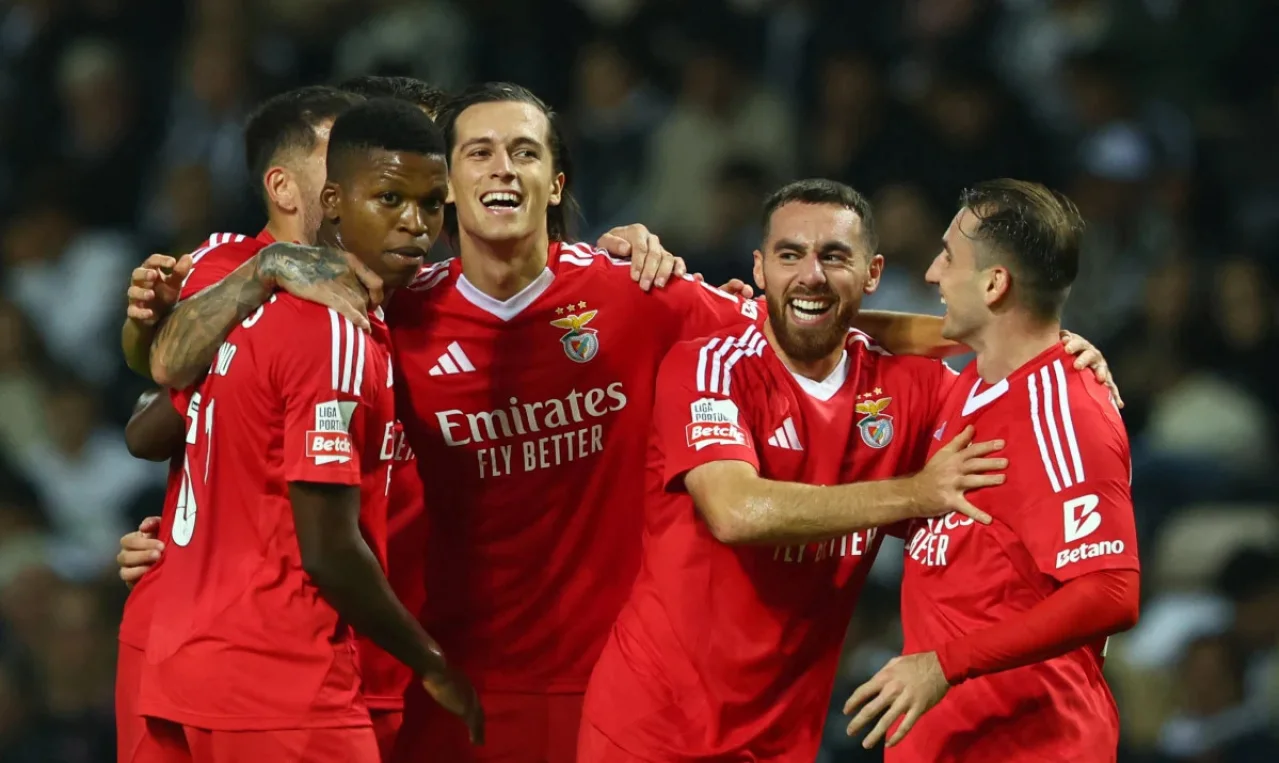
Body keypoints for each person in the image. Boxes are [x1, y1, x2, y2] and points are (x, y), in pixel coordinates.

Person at [135, 84, 1115, 763]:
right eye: (479, 152)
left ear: (556, 183)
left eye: (526, 151)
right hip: (443, 679)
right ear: (449, 187)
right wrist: (180, 530)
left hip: (600, 687)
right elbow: (182, 408)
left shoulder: (636, 293)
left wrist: (1012, 339)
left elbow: (803, 314)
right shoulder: (385, 311)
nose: (504, 168)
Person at [117, 77, 681, 762]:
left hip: (372, 664)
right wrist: (189, 533)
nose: (417, 199)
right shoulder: (273, 285)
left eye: (429, 181)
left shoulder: (409, 304)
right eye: (389, 179)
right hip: (282, 666)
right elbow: (159, 410)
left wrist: (621, 255)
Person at [578, 178, 1008, 761]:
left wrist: (1057, 357)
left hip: (784, 737)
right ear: (759, 269)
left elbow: (1014, 436)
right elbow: (735, 511)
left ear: (872, 273)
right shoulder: (710, 365)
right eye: (790, 255)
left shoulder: (913, 387)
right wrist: (916, 493)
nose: (811, 275)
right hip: (653, 732)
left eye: (834, 256)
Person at [135, 98, 482, 763]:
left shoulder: (254, 315)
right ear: (332, 200)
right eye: (389, 198)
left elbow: (171, 424)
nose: (414, 224)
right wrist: (432, 661)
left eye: (431, 205)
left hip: (192, 667)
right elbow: (326, 548)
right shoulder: (333, 332)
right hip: (284, 675)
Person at [843, 179, 1141, 762]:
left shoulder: (1067, 410)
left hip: (1032, 745)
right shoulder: (971, 388)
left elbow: (1110, 591)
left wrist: (944, 664)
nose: (931, 273)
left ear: (994, 283)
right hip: (952, 742)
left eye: (948, 256)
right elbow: (976, 539)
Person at [115, 84, 363, 763]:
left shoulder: (398, 288)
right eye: (341, 156)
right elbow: (157, 398)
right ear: (282, 186)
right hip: (237, 644)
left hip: (340, 642)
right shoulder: (225, 265)